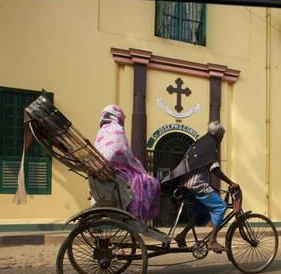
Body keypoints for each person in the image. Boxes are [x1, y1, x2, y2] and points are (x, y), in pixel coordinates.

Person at [161, 121, 238, 252]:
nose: (222, 139)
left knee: (200, 213)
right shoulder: (211, 145)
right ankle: (212, 241)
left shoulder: (201, 142)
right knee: (221, 207)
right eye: (222, 136)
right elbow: (214, 169)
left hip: (186, 184)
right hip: (197, 185)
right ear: (219, 135)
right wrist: (230, 182)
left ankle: (181, 235)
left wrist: (212, 185)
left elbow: (200, 168)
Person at [94, 105, 160, 221]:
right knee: (152, 182)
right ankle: (138, 214)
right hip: (117, 175)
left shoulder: (102, 132)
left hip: (104, 174)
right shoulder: (117, 129)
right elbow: (121, 152)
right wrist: (136, 165)